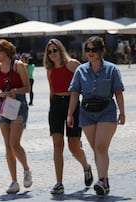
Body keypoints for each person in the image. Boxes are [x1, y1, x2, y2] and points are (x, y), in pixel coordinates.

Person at [67, 36, 125, 196]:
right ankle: (104, 181)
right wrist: (70, 114)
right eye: (88, 50)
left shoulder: (112, 69)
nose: (90, 53)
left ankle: (102, 180)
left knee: (100, 146)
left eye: (93, 50)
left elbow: (118, 92)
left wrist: (122, 112)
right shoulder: (80, 70)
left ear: (100, 51)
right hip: (86, 113)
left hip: (107, 110)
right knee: (96, 148)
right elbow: (74, 93)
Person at [43, 38, 93, 194]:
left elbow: (87, 82)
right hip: (56, 106)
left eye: (54, 50)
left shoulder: (73, 64)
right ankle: (59, 183)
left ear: (60, 49)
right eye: (49, 52)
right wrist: (51, 109)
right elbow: (52, 90)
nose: (52, 54)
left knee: (73, 145)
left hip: (73, 105)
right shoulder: (49, 70)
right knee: (57, 144)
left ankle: (86, 167)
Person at [0, 39, 32, 194]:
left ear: (7, 51)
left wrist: (14, 91)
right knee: (7, 145)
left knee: (14, 143)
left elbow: (27, 87)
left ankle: (26, 170)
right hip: (3, 106)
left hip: (18, 105)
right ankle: (14, 181)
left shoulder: (18, 65)